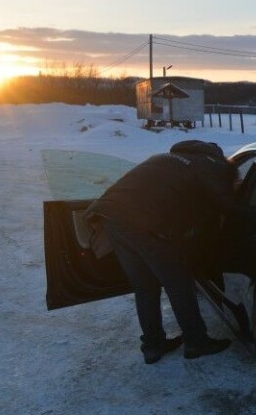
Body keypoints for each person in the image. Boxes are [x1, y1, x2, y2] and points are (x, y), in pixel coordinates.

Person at [85, 140, 237, 364]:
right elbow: (228, 204)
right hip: (143, 223)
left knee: (144, 285)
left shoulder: (162, 158)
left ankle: (153, 346)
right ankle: (197, 342)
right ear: (217, 156)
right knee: (178, 281)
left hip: (109, 216)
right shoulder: (212, 165)